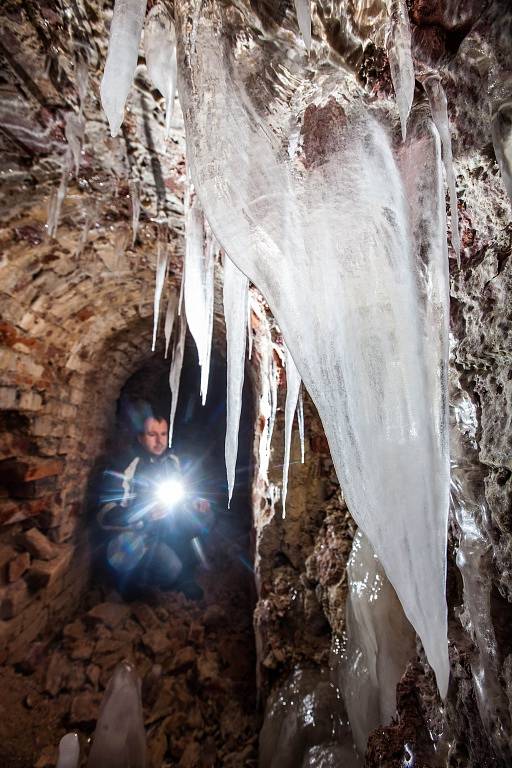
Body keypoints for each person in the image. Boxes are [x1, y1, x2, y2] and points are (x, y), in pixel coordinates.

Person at [98, 413, 212, 599]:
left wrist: (194, 502)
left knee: (204, 517)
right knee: (169, 567)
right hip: (131, 536)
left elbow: (181, 492)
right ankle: (131, 585)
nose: (159, 441)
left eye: (163, 434)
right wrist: (144, 515)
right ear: (140, 438)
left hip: (159, 526)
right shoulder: (124, 464)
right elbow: (105, 515)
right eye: (152, 435)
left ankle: (184, 574)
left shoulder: (171, 461)